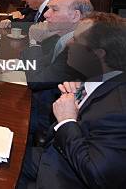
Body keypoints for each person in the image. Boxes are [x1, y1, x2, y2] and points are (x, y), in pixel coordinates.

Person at [20, 12, 126, 188]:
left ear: (98, 54)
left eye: (76, 40)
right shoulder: (100, 79)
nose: (69, 43)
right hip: (54, 157)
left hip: (63, 177)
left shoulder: (119, 110)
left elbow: (97, 175)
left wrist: (67, 121)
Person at [20, 0, 93, 142]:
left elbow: (36, 81)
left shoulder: (81, 47)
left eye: (54, 9)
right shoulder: (64, 37)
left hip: (50, 117)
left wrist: (34, 41)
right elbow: (42, 64)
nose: (46, 15)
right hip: (47, 103)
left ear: (75, 16)